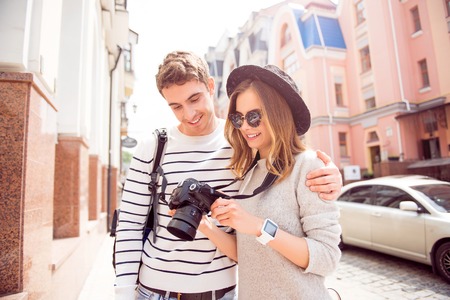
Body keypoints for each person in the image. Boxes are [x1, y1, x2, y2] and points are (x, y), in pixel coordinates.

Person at [114, 51, 342, 300]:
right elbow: (129, 227)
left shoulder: (241, 146)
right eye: (176, 106)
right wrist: (123, 293)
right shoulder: (154, 146)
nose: (189, 114)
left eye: (195, 99)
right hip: (156, 289)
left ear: (210, 86)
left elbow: (288, 165)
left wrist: (327, 177)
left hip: (220, 292)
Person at [207, 65, 342, 299]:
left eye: (254, 116)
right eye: (239, 118)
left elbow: (327, 258)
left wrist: (260, 227)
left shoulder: (308, 166)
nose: (245, 126)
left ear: (277, 113)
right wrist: (203, 225)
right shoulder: (250, 174)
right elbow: (249, 254)